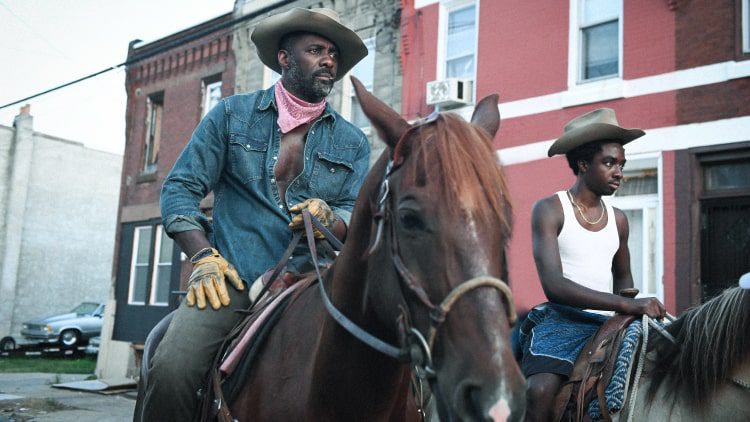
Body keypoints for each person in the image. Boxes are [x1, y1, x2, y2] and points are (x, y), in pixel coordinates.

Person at [140, 8, 370, 421]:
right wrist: (202, 257)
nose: (329, 61)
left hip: (315, 284)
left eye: (333, 53)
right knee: (173, 368)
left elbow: (356, 212)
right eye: (316, 49)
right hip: (232, 279)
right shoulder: (231, 116)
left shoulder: (353, 142)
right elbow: (180, 188)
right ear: (284, 58)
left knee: (407, 369)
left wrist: (330, 218)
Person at [516, 108, 667, 422]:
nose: (619, 172)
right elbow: (554, 286)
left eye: (621, 164)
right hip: (561, 322)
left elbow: (623, 278)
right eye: (610, 163)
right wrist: (630, 305)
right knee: (540, 392)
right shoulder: (549, 209)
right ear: (583, 164)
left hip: (608, 327)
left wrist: (627, 307)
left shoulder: (619, 220)